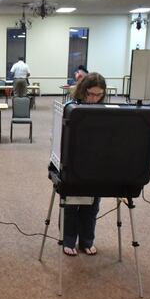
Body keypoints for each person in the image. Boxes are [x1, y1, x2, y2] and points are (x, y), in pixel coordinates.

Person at [62, 73, 106, 256]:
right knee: (72, 205)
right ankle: (69, 240)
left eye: (98, 95)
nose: (94, 99)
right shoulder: (70, 108)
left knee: (92, 206)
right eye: (90, 94)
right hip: (73, 165)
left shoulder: (105, 110)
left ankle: (87, 241)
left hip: (96, 166)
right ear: (83, 90)